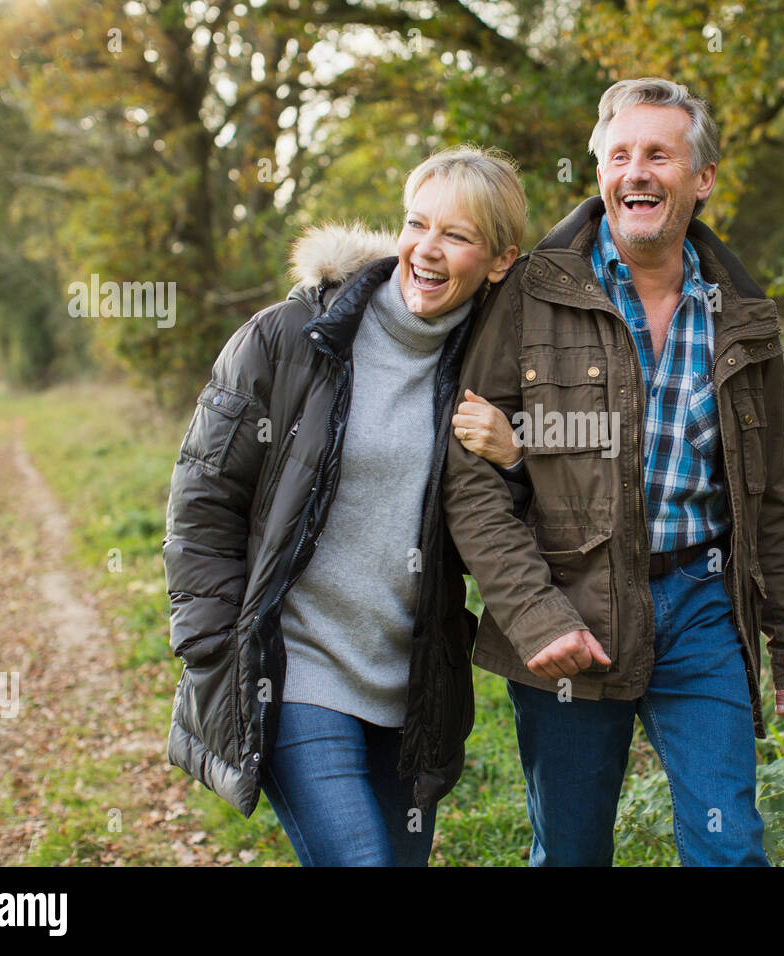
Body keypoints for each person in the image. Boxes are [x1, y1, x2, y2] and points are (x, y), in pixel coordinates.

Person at [443, 78, 784, 866]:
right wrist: (535, 615)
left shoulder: (742, 315)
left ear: (702, 178)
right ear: (600, 172)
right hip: (570, 603)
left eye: (659, 154)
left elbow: (767, 494)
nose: (637, 171)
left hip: (701, 604)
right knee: (574, 852)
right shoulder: (531, 293)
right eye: (620, 155)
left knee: (732, 847)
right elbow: (471, 477)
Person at [163, 145, 528, 866]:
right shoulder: (290, 339)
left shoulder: (491, 371)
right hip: (292, 667)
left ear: (499, 261)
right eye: (417, 224)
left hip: (407, 685)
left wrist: (515, 459)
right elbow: (202, 501)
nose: (426, 250)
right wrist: (214, 648)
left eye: (456, 236)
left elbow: (508, 532)